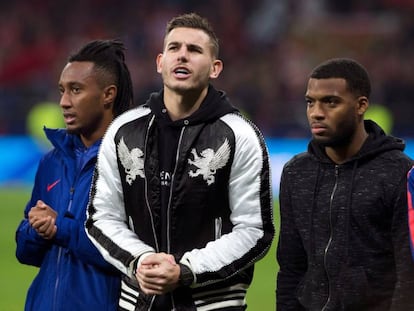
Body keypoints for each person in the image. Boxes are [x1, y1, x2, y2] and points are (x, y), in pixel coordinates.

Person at [85, 12, 275, 311]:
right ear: (160, 62)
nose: (182, 56)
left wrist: (186, 271)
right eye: (174, 48)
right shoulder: (123, 131)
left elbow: (254, 230)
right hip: (139, 302)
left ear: (215, 68)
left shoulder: (240, 135)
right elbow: (101, 217)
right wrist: (142, 260)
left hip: (212, 304)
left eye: (194, 50)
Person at [276, 58, 414, 310]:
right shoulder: (296, 172)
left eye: (331, 102)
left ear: (361, 105)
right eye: (310, 102)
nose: (316, 112)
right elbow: (291, 267)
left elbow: (408, 272)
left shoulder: (398, 171)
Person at [15, 39, 134, 311]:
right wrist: (35, 229)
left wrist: (61, 228)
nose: (63, 102)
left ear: (108, 95)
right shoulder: (52, 162)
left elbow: (130, 255)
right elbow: (25, 252)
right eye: (62, 91)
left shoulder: (130, 164)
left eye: (76, 90)